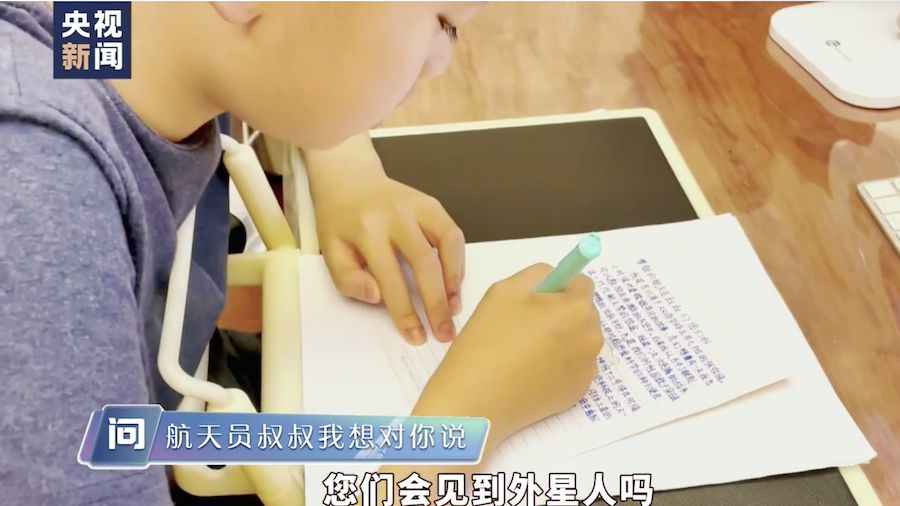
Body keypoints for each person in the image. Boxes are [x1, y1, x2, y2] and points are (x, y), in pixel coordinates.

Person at [0, 2, 603, 505]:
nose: (439, 61)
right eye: (442, 21)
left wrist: (344, 161)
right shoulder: (36, 192)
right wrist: (462, 428)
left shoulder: (93, 37)